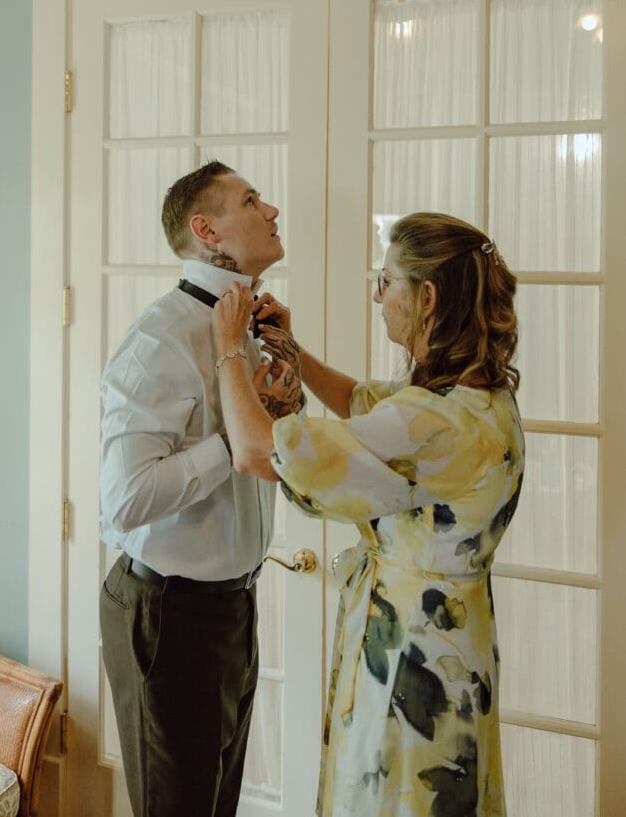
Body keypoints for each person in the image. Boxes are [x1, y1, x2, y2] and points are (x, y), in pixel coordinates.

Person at [211, 211, 525, 817]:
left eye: (385, 283)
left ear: (426, 297)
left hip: (413, 658)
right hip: (455, 640)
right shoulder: (478, 394)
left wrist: (230, 350)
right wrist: (291, 351)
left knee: (393, 798)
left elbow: (257, 449)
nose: (378, 298)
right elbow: (371, 408)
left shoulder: (437, 422)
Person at [99, 160, 302, 817]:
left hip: (233, 609)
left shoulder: (252, 327)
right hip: (167, 616)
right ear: (206, 230)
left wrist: (284, 403)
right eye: (251, 199)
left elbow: (267, 461)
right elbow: (125, 499)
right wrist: (233, 442)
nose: (271, 210)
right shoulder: (159, 340)